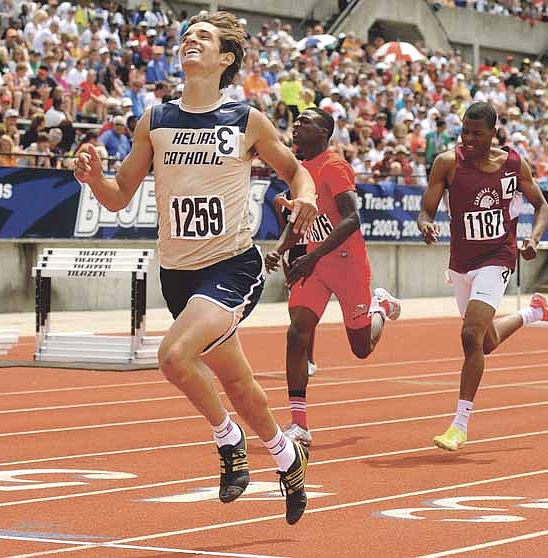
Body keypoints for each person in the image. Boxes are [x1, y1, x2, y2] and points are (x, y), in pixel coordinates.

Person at [74, 11, 317, 525]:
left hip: (232, 267)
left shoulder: (245, 120)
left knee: (173, 356)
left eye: (203, 37)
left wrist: (307, 198)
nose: (190, 40)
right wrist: (95, 180)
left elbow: (296, 173)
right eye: (187, 35)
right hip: (178, 275)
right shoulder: (155, 121)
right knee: (239, 382)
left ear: (225, 58)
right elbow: (118, 198)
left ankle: (229, 444)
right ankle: (285, 455)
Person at [417, 102, 548, 452]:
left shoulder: (513, 164)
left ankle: (459, 425)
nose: (467, 139)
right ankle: (534, 313)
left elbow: (541, 205)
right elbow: (426, 209)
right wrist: (425, 224)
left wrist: (533, 239)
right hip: (461, 262)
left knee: (470, 336)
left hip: (498, 258)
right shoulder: (448, 164)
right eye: (464, 131)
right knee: (485, 341)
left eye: (475, 133)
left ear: (493, 133)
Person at [264, 108, 402, 447]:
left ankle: (380, 306)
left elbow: (353, 219)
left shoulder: (334, 166)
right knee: (297, 333)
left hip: (347, 265)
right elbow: (299, 221)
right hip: (316, 266)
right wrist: (281, 249)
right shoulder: (298, 173)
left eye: (305, 123)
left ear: (324, 133)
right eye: (294, 123)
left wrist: (311, 257)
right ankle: (299, 424)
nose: (295, 127)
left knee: (361, 348)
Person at [272, 188, 317, 377]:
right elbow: (283, 233)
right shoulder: (279, 200)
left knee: (308, 310)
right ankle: (304, 359)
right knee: (297, 310)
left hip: (312, 251)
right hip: (292, 254)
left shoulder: (314, 196)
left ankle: (309, 359)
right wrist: (280, 255)